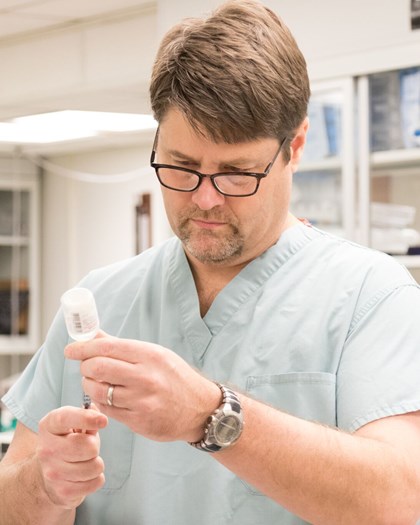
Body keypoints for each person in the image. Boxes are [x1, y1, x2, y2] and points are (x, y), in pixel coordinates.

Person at [1, 1, 420, 523]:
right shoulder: (101, 302)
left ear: (296, 146)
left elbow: (402, 500)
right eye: (181, 166)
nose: (204, 199)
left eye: (237, 173)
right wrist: (45, 485)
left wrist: (211, 416)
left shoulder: (371, 297)